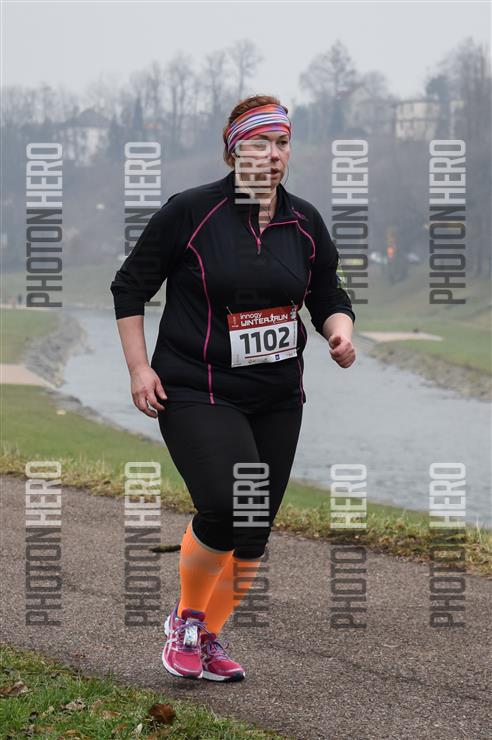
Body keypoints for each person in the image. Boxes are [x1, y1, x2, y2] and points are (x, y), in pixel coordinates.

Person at [110, 94, 356, 683]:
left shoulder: (304, 222)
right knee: (226, 504)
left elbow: (328, 292)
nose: (272, 155)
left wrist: (339, 331)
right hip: (197, 385)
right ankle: (186, 622)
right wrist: (139, 369)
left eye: (282, 143)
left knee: (254, 528)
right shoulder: (191, 212)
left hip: (276, 394)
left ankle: (208, 637)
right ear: (233, 149)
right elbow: (129, 288)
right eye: (259, 143)